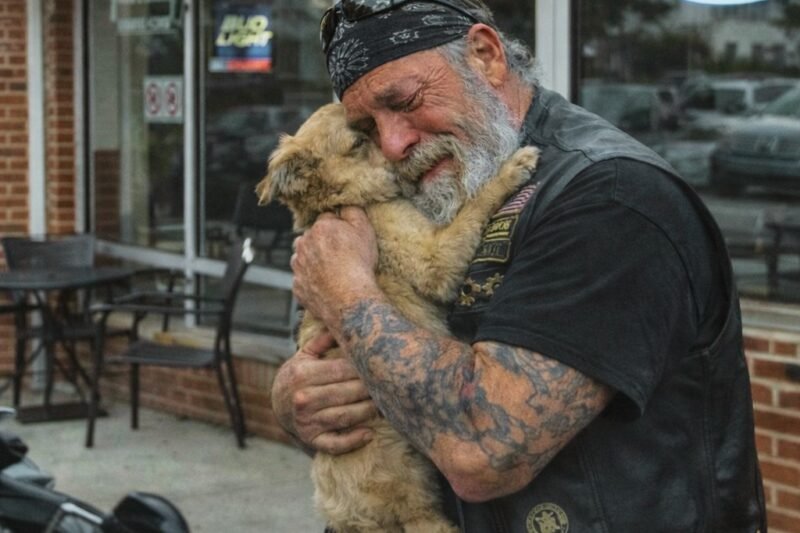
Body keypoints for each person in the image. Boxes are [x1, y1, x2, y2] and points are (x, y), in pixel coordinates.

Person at [271, 0, 767, 530]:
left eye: (407, 100)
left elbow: (484, 452)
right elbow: (345, 359)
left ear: (485, 55)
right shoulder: (434, 182)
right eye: (366, 128)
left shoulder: (612, 198)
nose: (392, 144)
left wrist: (347, 296)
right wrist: (294, 401)